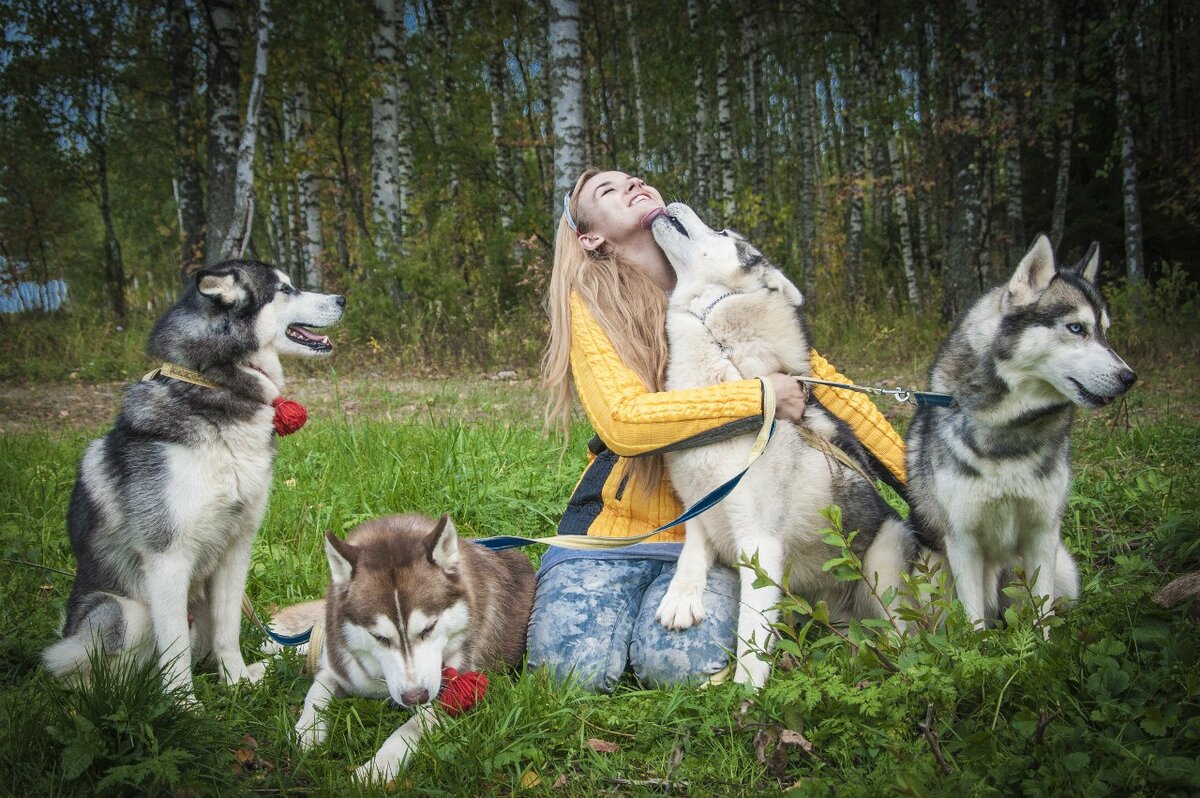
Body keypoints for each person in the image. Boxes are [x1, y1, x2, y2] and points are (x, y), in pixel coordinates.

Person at [527, 168, 905, 692]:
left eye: (635, 179)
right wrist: (759, 397)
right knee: (571, 673)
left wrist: (926, 493)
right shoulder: (594, 303)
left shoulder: (730, 282)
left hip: (718, 537)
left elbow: (829, 389)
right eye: (608, 191)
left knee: (676, 669)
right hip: (614, 530)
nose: (633, 185)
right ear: (591, 238)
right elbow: (623, 422)